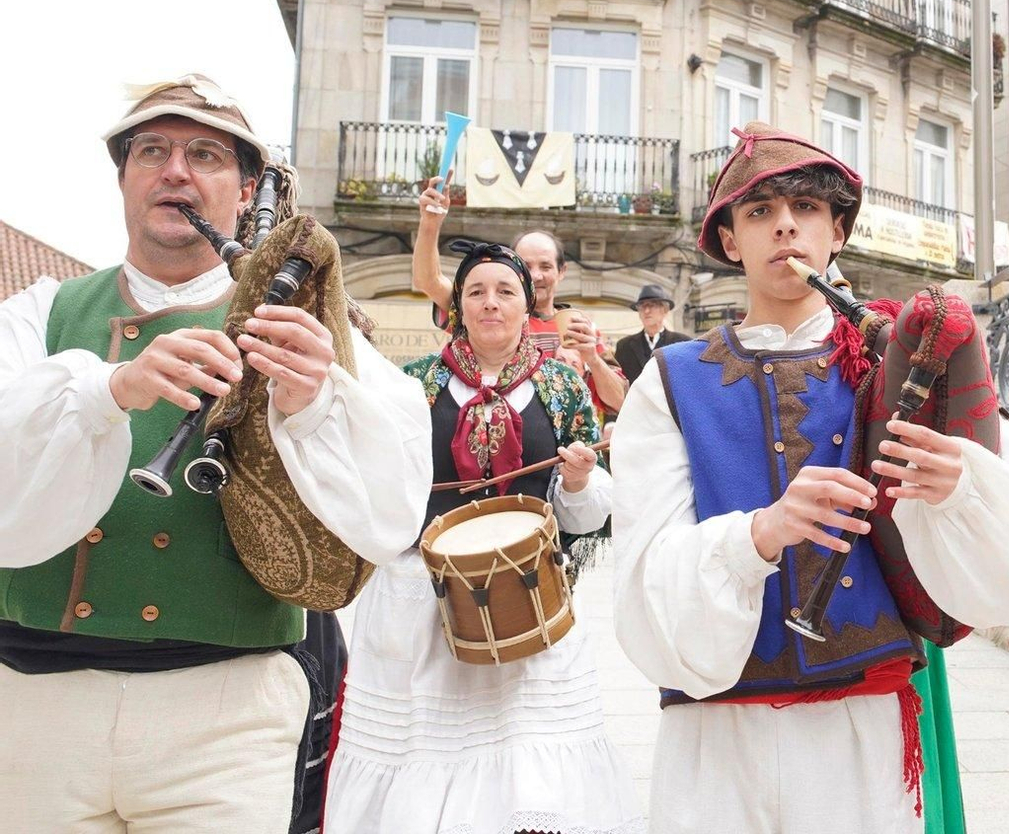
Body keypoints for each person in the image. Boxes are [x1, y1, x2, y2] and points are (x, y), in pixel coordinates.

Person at [0, 74, 432, 833]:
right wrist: (109, 390)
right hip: (33, 703)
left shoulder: (310, 322)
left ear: (247, 190)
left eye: (205, 153)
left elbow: (388, 510)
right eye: (152, 152)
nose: (176, 171)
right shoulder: (41, 314)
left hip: (228, 714)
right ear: (125, 180)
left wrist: (314, 401)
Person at [609, 123, 1009, 833]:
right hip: (716, 743)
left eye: (806, 209)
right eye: (758, 212)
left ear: (837, 231)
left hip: (863, 725)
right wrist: (760, 534)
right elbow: (641, 575)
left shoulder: (904, 357)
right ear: (730, 240)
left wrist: (964, 483)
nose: (784, 225)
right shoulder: (667, 382)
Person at [323, 241, 642, 834]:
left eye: (505, 292)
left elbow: (583, 517)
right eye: (476, 292)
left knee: (530, 771)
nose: (490, 303)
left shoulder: (564, 388)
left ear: (529, 307)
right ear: (455, 308)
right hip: (423, 603)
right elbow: (383, 484)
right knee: (422, 764)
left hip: (530, 602)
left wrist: (576, 481)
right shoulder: (412, 384)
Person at [412, 181, 628, 417]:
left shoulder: (581, 326)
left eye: (545, 266)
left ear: (562, 271)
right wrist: (430, 224)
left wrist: (593, 360)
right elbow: (429, 281)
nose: (536, 275)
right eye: (526, 266)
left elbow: (620, 403)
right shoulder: (488, 313)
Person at [612, 282, 690, 386]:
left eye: (652, 305)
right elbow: (619, 382)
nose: (647, 311)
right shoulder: (624, 346)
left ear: (665, 310)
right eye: (642, 306)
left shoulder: (682, 343)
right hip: (636, 401)